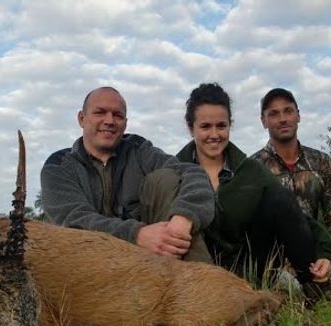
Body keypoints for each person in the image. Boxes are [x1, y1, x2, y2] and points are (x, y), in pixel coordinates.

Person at [175, 82, 331, 295]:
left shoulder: (252, 170)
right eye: (205, 126)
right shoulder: (173, 170)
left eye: (221, 126)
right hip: (193, 275)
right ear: (191, 128)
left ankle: (315, 291)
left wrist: (327, 255)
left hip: (247, 270)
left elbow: (292, 213)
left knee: (279, 198)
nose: (214, 134)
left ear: (229, 126)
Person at [40, 86, 214, 262]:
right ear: (81, 118)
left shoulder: (139, 150)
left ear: (125, 123)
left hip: (152, 256)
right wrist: (136, 234)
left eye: (118, 115)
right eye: (100, 112)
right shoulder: (58, 166)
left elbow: (193, 173)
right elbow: (74, 221)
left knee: (167, 179)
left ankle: (205, 284)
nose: (109, 121)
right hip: (89, 263)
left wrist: (184, 218)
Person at [251, 88, 331, 291]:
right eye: (273, 113)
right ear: (263, 121)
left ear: (298, 115)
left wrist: (327, 258)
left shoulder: (322, 163)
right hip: (273, 268)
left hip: (315, 262)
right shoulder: (253, 168)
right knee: (291, 294)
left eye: (288, 111)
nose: (282, 119)